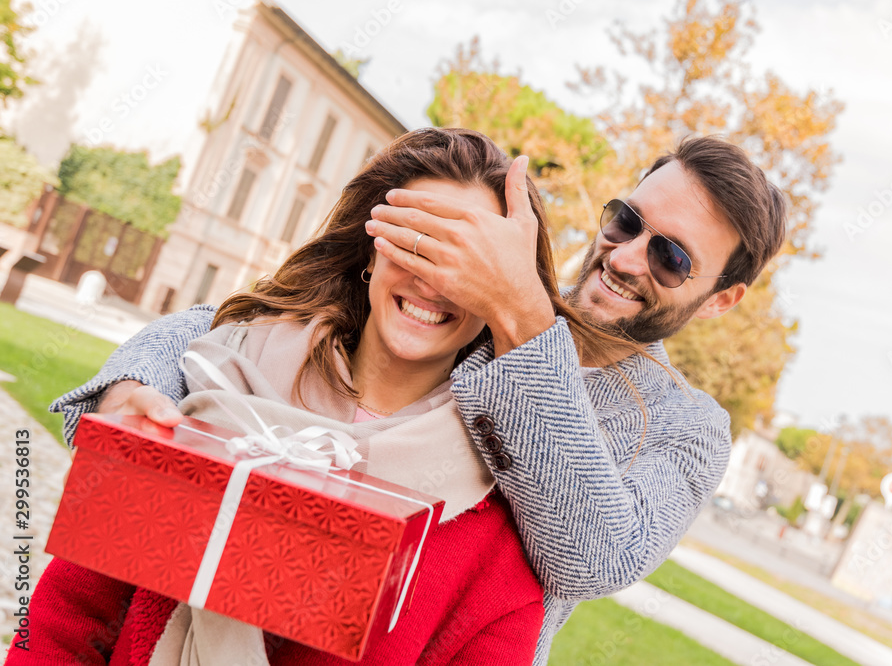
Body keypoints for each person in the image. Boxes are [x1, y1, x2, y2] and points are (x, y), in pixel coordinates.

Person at [51, 133, 787, 664]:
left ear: (723, 299)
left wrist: (520, 312)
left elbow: (591, 558)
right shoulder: (467, 309)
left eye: (672, 256)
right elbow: (241, 330)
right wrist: (131, 386)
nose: (626, 256)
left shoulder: (686, 427)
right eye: (626, 220)